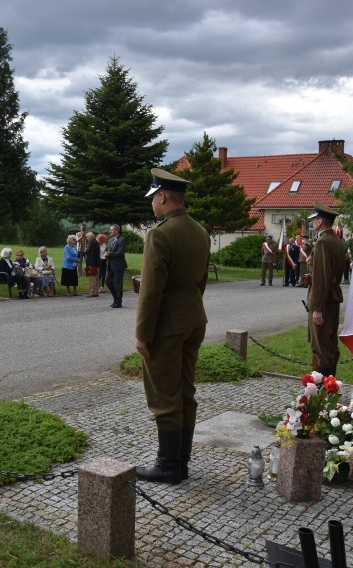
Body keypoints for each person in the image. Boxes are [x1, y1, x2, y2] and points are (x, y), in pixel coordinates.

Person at [135, 168, 210, 484]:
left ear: (162, 197)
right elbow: (201, 281)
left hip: (166, 325)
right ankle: (181, 461)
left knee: (165, 395)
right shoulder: (200, 231)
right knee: (185, 392)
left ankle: (168, 466)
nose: (153, 203)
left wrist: (142, 333)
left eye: (154, 197)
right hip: (194, 318)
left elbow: (151, 290)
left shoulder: (160, 234)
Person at [306, 203, 346, 377]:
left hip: (324, 300)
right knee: (330, 344)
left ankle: (322, 393)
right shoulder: (337, 241)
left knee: (321, 346)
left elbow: (321, 277)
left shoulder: (323, 242)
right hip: (333, 298)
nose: (313, 223)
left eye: (314, 220)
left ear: (320, 221)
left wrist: (316, 308)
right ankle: (330, 387)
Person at [104, 224, 126, 307]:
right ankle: (115, 298)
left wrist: (110, 254)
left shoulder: (121, 240)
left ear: (117, 231)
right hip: (109, 265)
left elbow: (120, 252)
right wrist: (105, 253)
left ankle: (118, 302)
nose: (110, 231)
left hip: (118, 265)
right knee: (107, 281)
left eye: (112, 230)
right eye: (110, 230)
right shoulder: (110, 240)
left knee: (118, 283)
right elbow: (106, 250)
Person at [84, 231, 100, 297]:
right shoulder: (95, 242)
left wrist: (90, 264)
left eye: (87, 237)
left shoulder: (93, 243)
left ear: (91, 237)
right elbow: (91, 253)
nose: (86, 238)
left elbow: (93, 255)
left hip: (92, 264)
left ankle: (93, 292)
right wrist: (87, 251)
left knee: (92, 278)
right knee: (96, 278)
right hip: (96, 263)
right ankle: (96, 292)